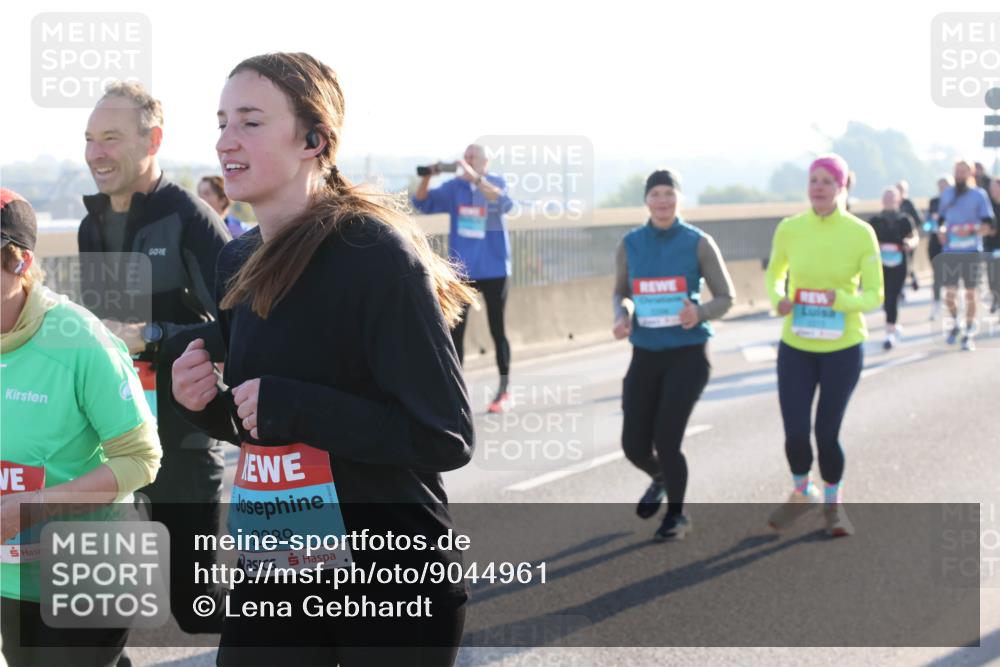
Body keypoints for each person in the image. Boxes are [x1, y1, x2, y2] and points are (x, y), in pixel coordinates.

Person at [171, 52, 475, 666]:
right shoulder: (237, 259)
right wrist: (202, 406)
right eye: (222, 121)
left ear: (314, 139)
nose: (226, 141)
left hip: (390, 575)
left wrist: (299, 406)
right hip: (277, 570)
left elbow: (446, 435)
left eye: (250, 122)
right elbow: (263, 424)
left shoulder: (373, 253)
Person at [79, 81, 230, 635]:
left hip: (183, 443)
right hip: (113, 447)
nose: (97, 152)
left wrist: (155, 334)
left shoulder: (188, 217)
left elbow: (242, 328)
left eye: (112, 138)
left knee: (195, 608)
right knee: (96, 606)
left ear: (153, 139)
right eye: (91, 138)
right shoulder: (89, 227)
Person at [0, 189, 162, 667]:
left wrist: (33, 505)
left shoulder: (79, 339)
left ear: (20, 261)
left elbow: (141, 459)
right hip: (13, 577)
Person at [612, 169, 735, 542]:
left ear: (679, 198)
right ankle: (660, 477)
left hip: (688, 356)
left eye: (669, 193)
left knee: (667, 440)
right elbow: (622, 292)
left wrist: (699, 312)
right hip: (645, 354)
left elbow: (725, 297)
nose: (663, 200)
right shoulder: (630, 243)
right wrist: (623, 314)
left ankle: (677, 516)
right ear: (646, 200)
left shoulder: (698, 242)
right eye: (656, 194)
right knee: (633, 445)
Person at [764, 154, 883, 538]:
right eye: (813, 180)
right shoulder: (789, 228)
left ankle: (834, 505)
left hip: (843, 347)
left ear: (842, 187)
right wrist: (778, 298)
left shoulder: (861, 233)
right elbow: (774, 274)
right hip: (796, 345)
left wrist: (841, 301)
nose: (818, 187)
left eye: (827, 181)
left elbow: (875, 295)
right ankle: (804, 492)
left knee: (826, 433)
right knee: (795, 433)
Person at [411, 144, 515, 413]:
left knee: (497, 329)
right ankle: (456, 394)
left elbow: (504, 203)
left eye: (472, 157)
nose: (466, 161)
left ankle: (503, 391)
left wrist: (476, 179)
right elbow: (420, 202)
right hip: (463, 271)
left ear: (485, 161)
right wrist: (428, 176)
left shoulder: (494, 182)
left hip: (494, 269)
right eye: (465, 157)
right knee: (455, 333)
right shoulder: (454, 188)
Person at [935, 159, 996, 351]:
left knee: (970, 293)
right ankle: (956, 323)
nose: (959, 175)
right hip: (951, 251)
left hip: (971, 251)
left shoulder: (979, 195)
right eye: (956, 171)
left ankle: (969, 331)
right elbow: (940, 221)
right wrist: (941, 231)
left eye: (963, 171)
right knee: (949, 295)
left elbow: (989, 226)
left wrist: (970, 231)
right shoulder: (947, 194)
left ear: (970, 174)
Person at [868, 187, 918, 349]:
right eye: (886, 198)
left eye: (892, 198)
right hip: (880, 264)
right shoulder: (875, 221)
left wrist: (908, 244)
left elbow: (914, 237)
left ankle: (889, 332)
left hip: (899, 263)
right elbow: (867, 241)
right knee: (884, 297)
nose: (889, 201)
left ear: (898, 200)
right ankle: (894, 326)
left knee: (893, 295)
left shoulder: (904, 219)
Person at [926, 176, 952, 320]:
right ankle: (936, 304)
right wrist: (933, 225)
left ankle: (954, 306)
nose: (943, 189)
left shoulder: (956, 201)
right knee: (937, 276)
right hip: (935, 242)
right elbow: (927, 223)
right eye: (940, 187)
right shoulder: (933, 202)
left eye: (945, 186)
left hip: (952, 243)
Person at [895, 180, 922, 292]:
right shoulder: (894, 203)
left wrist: (910, 228)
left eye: (901, 189)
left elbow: (919, 219)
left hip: (909, 237)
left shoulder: (908, 204)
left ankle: (912, 279)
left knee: (908, 260)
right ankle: (906, 283)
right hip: (897, 239)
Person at [987, 177, 1000, 313]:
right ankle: (996, 298)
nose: (991, 190)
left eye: (994, 187)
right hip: (990, 247)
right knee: (992, 279)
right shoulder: (988, 204)